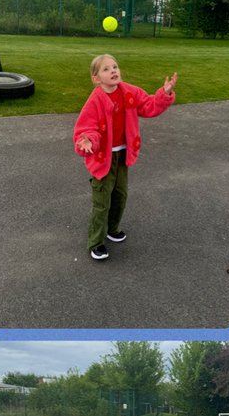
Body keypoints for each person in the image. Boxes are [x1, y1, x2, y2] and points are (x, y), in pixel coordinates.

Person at [74, 54, 178, 261]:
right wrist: (88, 141)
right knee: (102, 201)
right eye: (106, 69)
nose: (113, 71)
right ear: (96, 78)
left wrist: (164, 94)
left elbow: (148, 105)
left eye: (115, 66)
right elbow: (87, 128)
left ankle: (112, 229)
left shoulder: (129, 92)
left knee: (120, 195)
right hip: (103, 158)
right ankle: (96, 241)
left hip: (123, 154)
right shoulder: (95, 100)